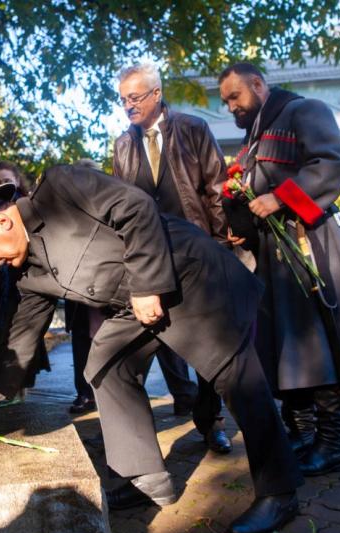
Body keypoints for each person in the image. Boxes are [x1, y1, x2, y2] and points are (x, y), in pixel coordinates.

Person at [0, 167, 303, 533]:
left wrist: (148, 284)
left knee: (236, 377)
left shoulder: (59, 187)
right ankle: (142, 477)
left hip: (186, 277)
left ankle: (279, 491)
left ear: (2, 221)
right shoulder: (29, 272)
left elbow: (136, 206)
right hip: (136, 306)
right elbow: (24, 331)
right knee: (105, 364)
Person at [218, 62, 340, 476]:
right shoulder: (252, 138)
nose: (231, 108)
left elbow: (329, 165)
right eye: (225, 102)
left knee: (318, 347)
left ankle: (331, 445)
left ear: (258, 85)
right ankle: (302, 433)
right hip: (274, 257)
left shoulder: (305, 110)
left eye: (235, 97)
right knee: (287, 350)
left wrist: (278, 199)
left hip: (310, 246)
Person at [112, 63, 231, 453]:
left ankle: (211, 422)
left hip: (197, 251)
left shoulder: (193, 129)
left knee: (208, 345)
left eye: (135, 97)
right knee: (150, 341)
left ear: (157, 94)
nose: (128, 105)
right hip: (151, 260)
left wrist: (220, 248)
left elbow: (215, 189)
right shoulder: (123, 145)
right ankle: (132, 438)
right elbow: (120, 207)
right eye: (123, 99)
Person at [0, 162, 51, 402]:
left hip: (24, 286)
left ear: (17, 181)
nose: (1, 186)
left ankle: (21, 394)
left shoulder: (28, 207)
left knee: (20, 335)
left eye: (6, 181)